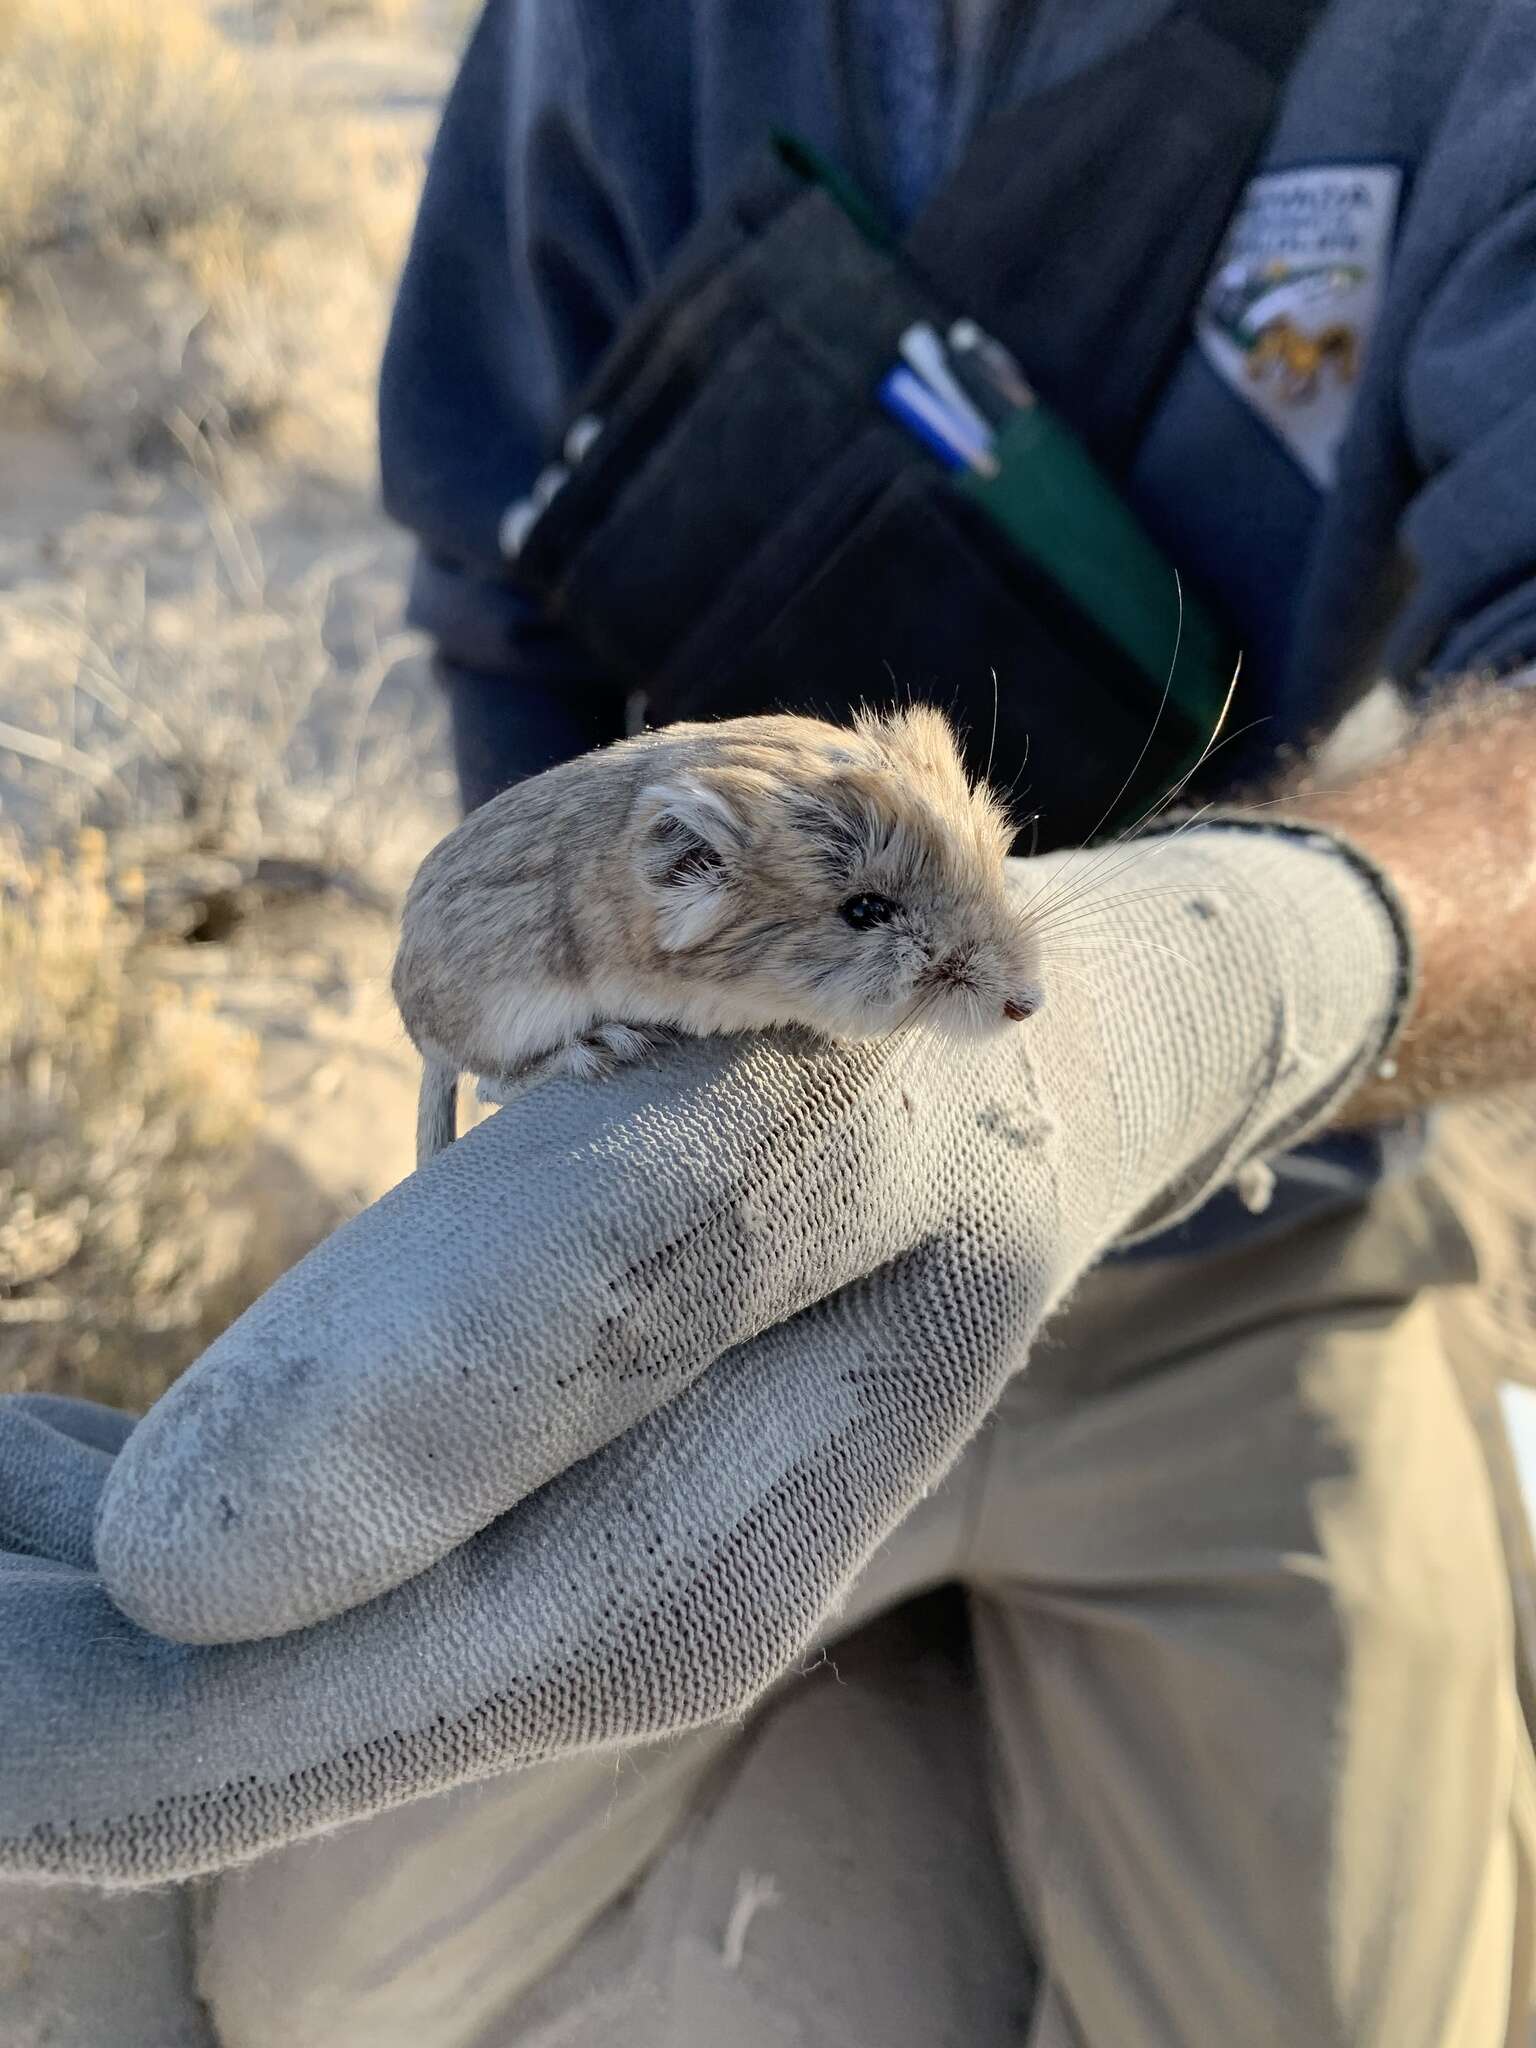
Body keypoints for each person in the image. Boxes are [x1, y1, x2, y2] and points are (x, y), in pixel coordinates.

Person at [2, 3, 1536, 2044]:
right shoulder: (599, 38)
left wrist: (1233, 970)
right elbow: (506, 588)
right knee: (306, 1974)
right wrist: (588, 1116)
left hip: (1262, 1235)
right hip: (704, 1216)